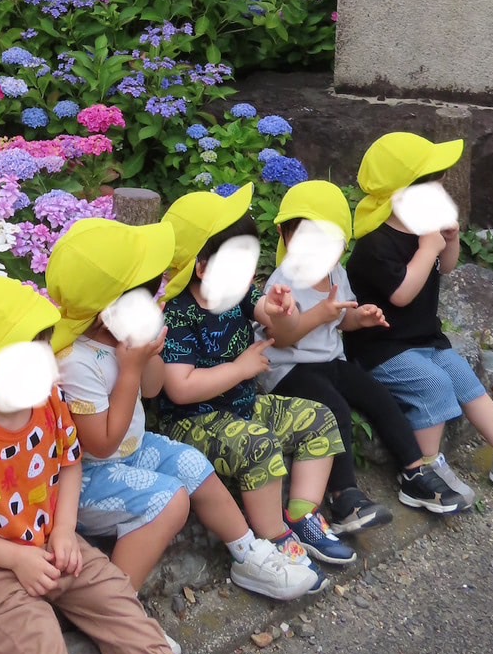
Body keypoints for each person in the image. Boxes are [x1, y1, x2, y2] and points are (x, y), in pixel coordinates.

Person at [0, 275, 269, 654]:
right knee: (35, 640)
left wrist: (66, 531)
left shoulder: (46, 400)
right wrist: (17, 560)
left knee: (110, 588)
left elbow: (69, 461)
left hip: (46, 536)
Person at [47, 216, 315, 600]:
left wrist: (147, 350)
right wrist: (130, 369)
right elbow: (101, 444)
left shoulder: (121, 339)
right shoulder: (76, 361)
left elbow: (153, 388)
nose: (158, 297)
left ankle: (248, 554)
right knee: (169, 500)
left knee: (193, 465)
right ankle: (116, 609)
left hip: (132, 452)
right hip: (89, 479)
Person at [344, 132, 493, 508]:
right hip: (381, 348)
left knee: (465, 381)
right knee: (435, 385)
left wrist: (450, 241)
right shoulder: (375, 244)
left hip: (424, 338)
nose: (442, 188)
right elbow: (402, 293)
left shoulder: (426, 229)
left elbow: (447, 267)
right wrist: (428, 247)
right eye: (433, 183)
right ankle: (422, 472)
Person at [157, 186, 353, 579]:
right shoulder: (176, 315)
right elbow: (180, 387)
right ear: (202, 269)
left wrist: (281, 309)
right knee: (258, 445)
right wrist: (242, 368)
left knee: (318, 417)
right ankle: (272, 539)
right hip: (192, 423)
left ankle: (302, 512)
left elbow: (276, 322)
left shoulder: (240, 292)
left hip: (242, 405)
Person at [260, 180, 462, 529]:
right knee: (333, 406)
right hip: (290, 370)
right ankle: (344, 497)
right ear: (285, 236)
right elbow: (281, 338)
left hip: (330, 362)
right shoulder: (283, 283)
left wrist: (360, 317)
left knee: (377, 395)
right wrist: (319, 314)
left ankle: (414, 472)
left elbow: (342, 320)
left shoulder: (337, 274)